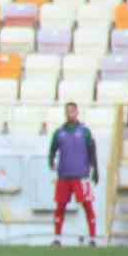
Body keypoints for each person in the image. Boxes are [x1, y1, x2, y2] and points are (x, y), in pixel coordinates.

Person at [47, 101, 99, 246]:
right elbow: (52, 150)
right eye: (68, 111)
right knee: (60, 206)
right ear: (65, 113)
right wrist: (50, 162)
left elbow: (92, 150)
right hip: (63, 175)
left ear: (77, 112)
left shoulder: (85, 131)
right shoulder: (59, 132)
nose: (70, 113)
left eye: (73, 111)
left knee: (88, 206)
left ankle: (93, 238)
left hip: (81, 175)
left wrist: (96, 170)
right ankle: (57, 238)